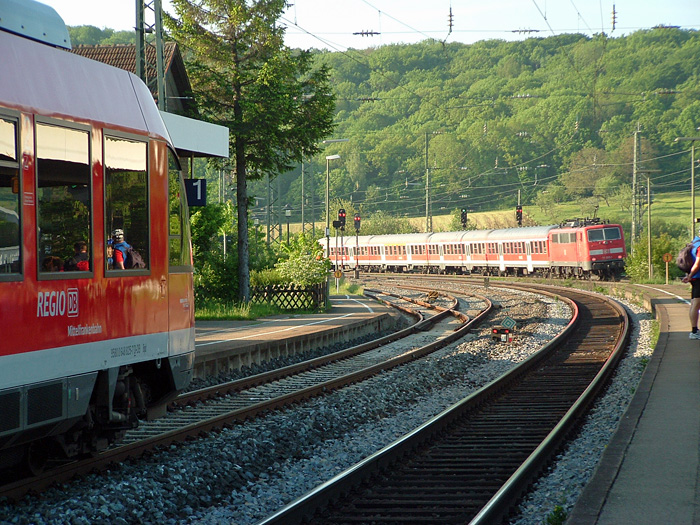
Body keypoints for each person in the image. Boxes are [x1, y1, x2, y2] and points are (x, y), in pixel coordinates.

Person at [682, 227, 700, 339]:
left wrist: (689, 276)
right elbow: (697, 264)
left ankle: (694, 330)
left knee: (694, 303)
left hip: (695, 279)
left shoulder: (694, 243)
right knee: (696, 303)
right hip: (698, 278)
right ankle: (694, 332)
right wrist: (690, 276)